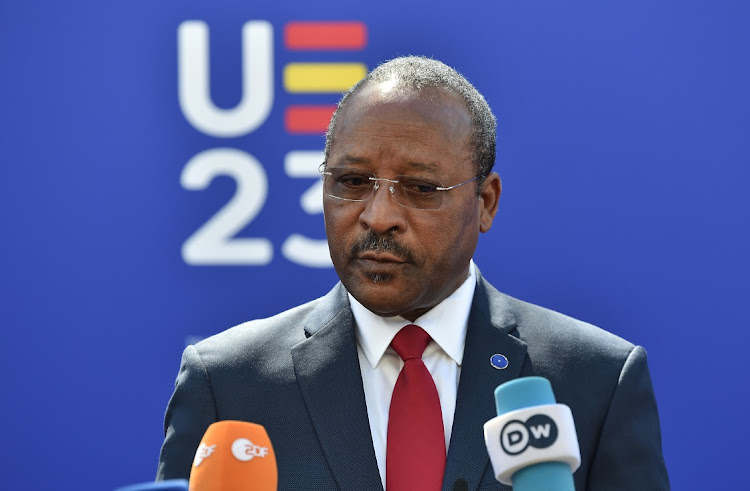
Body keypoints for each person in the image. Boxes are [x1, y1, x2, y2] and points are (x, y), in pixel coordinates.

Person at [157, 56, 669, 490]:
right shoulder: (228, 383)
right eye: (352, 181)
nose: (378, 216)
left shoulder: (596, 380)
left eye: (421, 188)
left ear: (485, 202)